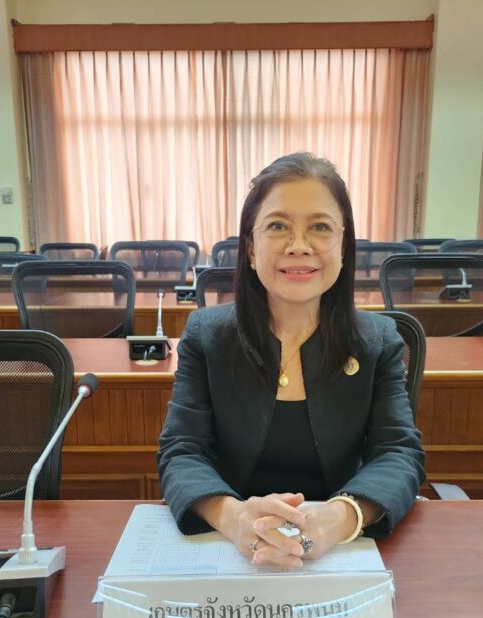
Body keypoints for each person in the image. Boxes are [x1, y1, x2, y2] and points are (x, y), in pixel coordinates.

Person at [157, 152, 425, 569]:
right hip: (227, 549)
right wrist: (234, 517)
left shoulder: (378, 341)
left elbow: (398, 453)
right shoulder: (207, 336)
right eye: (278, 226)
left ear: (343, 247)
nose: (299, 246)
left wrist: (336, 519)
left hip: (340, 552)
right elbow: (182, 450)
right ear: (250, 248)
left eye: (320, 227)